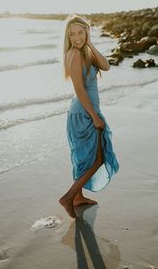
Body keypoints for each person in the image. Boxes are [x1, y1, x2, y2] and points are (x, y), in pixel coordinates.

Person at [59, 14, 119, 218]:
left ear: (87, 31)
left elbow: (106, 66)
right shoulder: (74, 55)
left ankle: (77, 197)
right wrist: (94, 116)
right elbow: (80, 91)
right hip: (84, 112)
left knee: (85, 158)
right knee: (97, 158)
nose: (76, 37)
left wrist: (91, 44)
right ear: (68, 37)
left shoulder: (84, 52)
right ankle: (68, 197)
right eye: (72, 34)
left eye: (80, 32)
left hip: (85, 111)